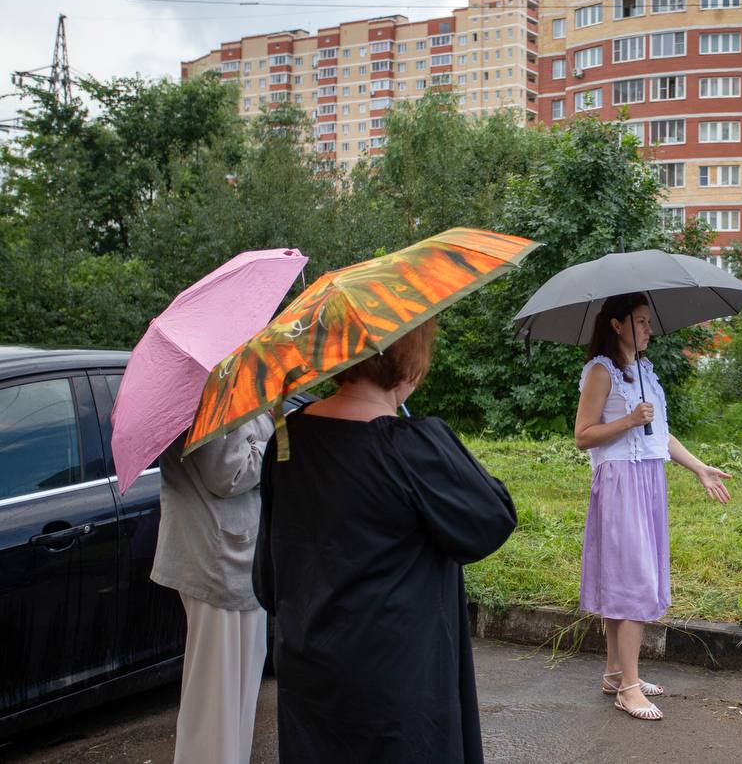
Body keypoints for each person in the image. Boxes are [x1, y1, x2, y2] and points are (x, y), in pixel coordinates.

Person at [253, 318, 516, 763]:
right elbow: (491, 520)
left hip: (308, 667)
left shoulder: (287, 438)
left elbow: (268, 581)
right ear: (408, 360)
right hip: (396, 678)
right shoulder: (412, 446)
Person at [574, 293, 732, 721]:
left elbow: (660, 434)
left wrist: (700, 469)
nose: (648, 329)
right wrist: (628, 420)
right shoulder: (601, 372)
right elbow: (583, 435)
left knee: (631, 576)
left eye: (648, 321)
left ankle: (614, 672)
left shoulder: (643, 371)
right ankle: (628, 688)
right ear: (616, 325)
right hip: (619, 481)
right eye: (640, 321)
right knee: (633, 581)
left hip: (647, 480)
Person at [151, 412, 275, 764]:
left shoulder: (224, 390)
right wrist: (272, 446)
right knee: (217, 696)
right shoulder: (211, 394)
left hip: (231, 556)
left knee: (236, 689)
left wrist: (257, 442)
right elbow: (229, 473)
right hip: (217, 560)